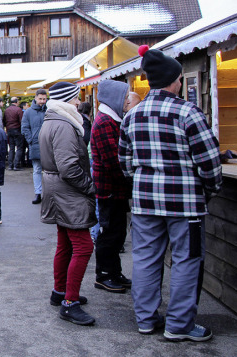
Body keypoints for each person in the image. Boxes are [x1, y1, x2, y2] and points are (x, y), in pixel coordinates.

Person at [119, 45, 222, 341]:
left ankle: (146, 319)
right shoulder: (188, 112)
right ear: (174, 80)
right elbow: (210, 163)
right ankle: (179, 325)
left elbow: (125, 162)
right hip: (186, 205)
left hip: (144, 202)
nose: (180, 82)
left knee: (146, 260)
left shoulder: (132, 116)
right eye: (179, 78)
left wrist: (141, 184)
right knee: (186, 261)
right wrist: (209, 191)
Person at [39, 82, 97, 326]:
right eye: (76, 98)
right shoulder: (64, 124)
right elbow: (69, 167)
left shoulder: (53, 119)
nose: (78, 102)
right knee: (83, 246)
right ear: (69, 100)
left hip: (57, 188)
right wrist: (91, 187)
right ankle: (69, 303)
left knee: (65, 242)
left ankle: (60, 292)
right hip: (68, 191)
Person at [91, 79, 133, 295]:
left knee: (116, 233)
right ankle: (105, 275)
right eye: (125, 97)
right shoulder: (106, 122)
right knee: (110, 233)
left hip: (113, 188)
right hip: (110, 188)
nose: (127, 101)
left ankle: (114, 272)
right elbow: (113, 161)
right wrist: (129, 179)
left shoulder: (109, 119)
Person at [22, 89, 48, 204]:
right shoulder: (28, 112)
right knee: (37, 169)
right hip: (36, 144)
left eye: (44, 99)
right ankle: (38, 193)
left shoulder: (50, 110)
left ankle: (49, 193)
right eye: (40, 99)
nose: (42, 101)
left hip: (48, 144)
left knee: (49, 171)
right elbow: (25, 127)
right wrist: (30, 140)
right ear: (36, 98)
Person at [4, 97, 25, 171]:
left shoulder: (7, 110)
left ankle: (10, 165)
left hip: (9, 130)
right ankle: (16, 165)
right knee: (19, 148)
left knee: (11, 148)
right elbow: (22, 121)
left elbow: (4, 120)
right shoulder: (18, 110)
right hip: (17, 130)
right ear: (16, 102)